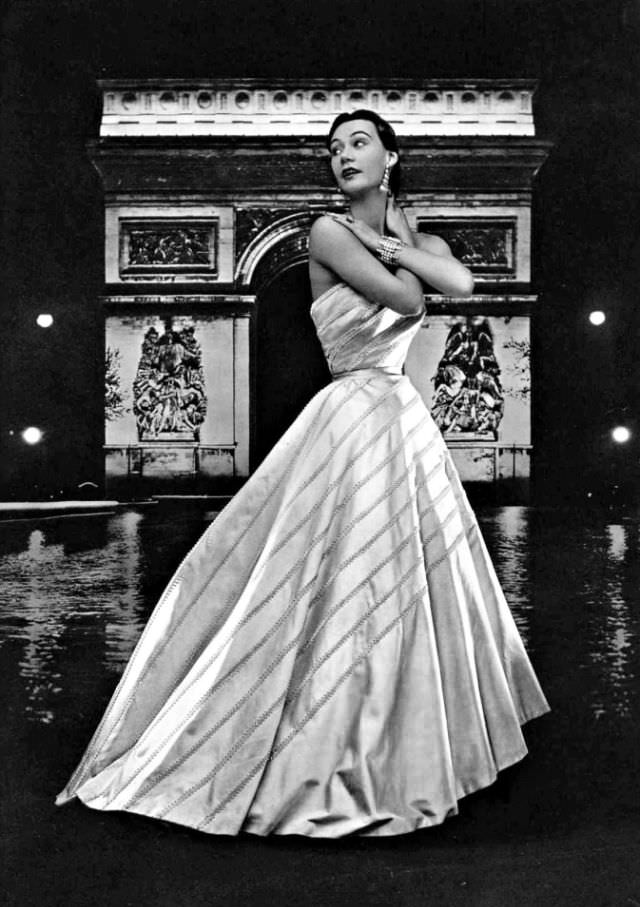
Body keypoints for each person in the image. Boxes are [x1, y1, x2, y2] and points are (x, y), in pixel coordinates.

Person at [56, 109, 549, 837]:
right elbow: (414, 297)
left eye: (358, 142)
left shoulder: (411, 238)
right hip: (350, 419)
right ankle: (325, 746)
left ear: (391, 155)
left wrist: (401, 244)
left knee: (405, 584)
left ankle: (398, 752)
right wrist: (401, 250)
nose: (341, 156)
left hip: (401, 423)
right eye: (333, 147)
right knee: (343, 581)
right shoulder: (326, 232)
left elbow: (465, 283)